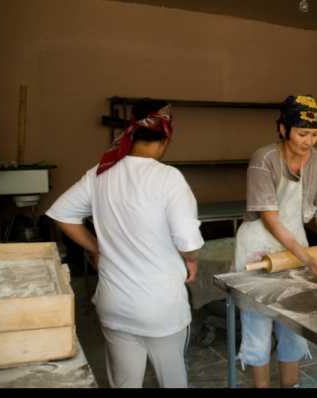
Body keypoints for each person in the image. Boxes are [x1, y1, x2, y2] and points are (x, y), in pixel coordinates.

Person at [46, 99, 204, 388]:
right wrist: (190, 258)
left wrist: (96, 247)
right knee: (173, 381)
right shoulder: (169, 178)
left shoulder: (101, 173)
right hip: (161, 309)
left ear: (131, 134)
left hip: (115, 304)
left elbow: (61, 214)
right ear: (166, 138)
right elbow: (188, 241)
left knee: (124, 382)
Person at [234, 94, 317, 388]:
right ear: (282, 129)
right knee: (258, 330)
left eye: (314, 134)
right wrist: (306, 258)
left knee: (293, 325)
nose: (309, 141)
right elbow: (271, 220)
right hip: (258, 250)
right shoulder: (264, 159)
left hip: (295, 246)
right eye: (302, 133)